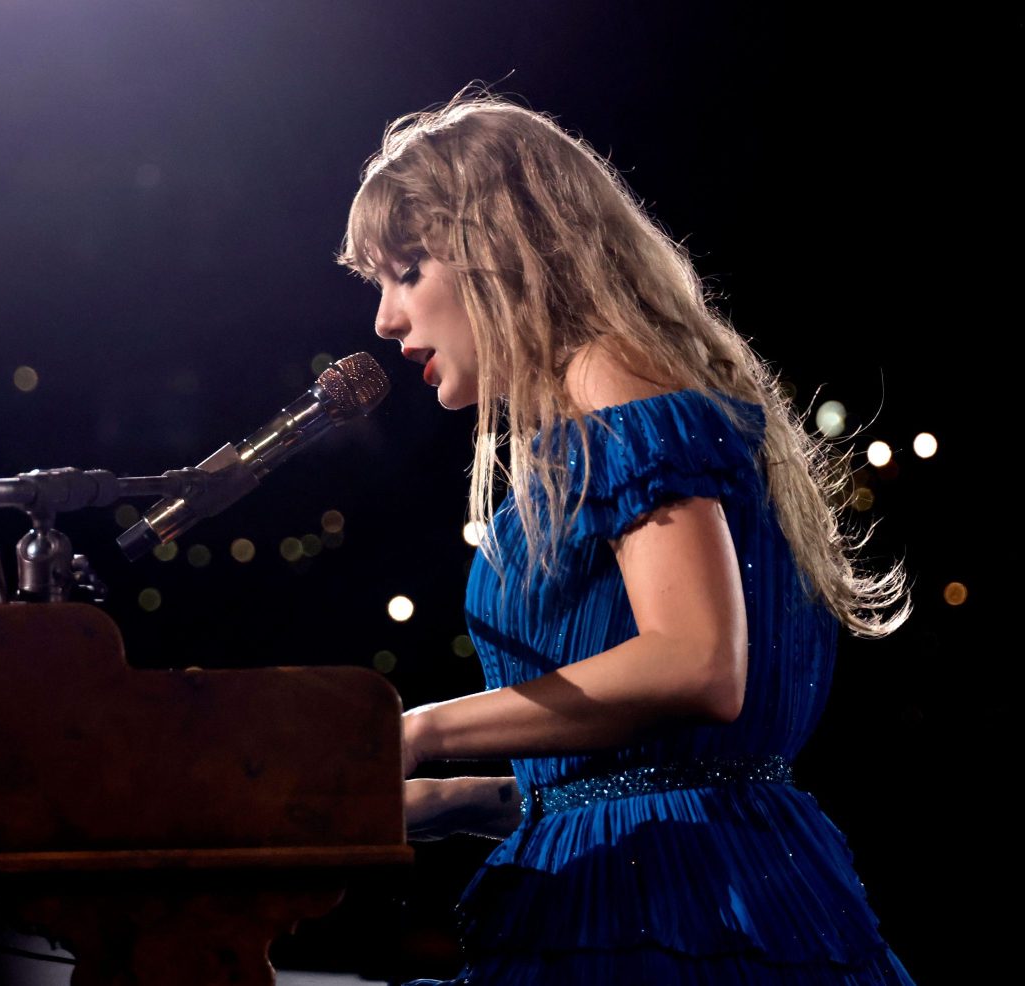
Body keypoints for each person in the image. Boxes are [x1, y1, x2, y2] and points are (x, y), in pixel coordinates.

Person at [338, 92, 913, 984]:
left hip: (677, 904)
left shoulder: (611, 378)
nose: (384, 318)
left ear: (502, 254)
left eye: (407, 270)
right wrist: (441, 803)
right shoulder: (600, 405)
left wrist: (419, 732)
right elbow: (639, 773)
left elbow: (696, 665)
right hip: (697, 879)